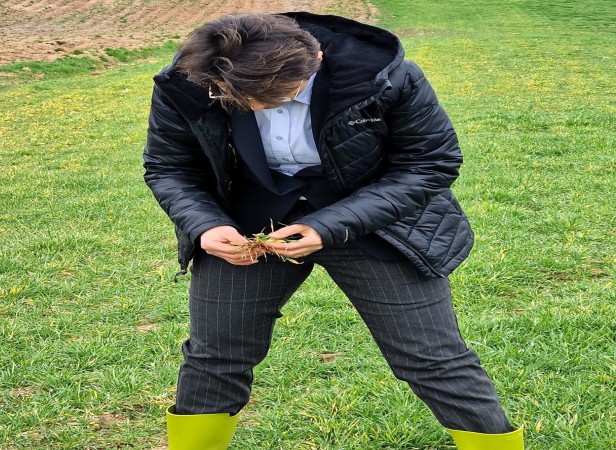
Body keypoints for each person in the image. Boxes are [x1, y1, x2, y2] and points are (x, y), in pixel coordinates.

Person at [143, 12, 524, 450]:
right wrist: (206, 226)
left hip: (375, 219)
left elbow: (430, 162)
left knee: (433, 358)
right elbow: (170, 167)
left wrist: (328, 227)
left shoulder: (385, 78)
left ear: (316, 62)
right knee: (215, 358)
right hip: (246, 222)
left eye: (268, 98)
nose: (249, 108)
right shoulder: (197, 80)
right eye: (238, 99)